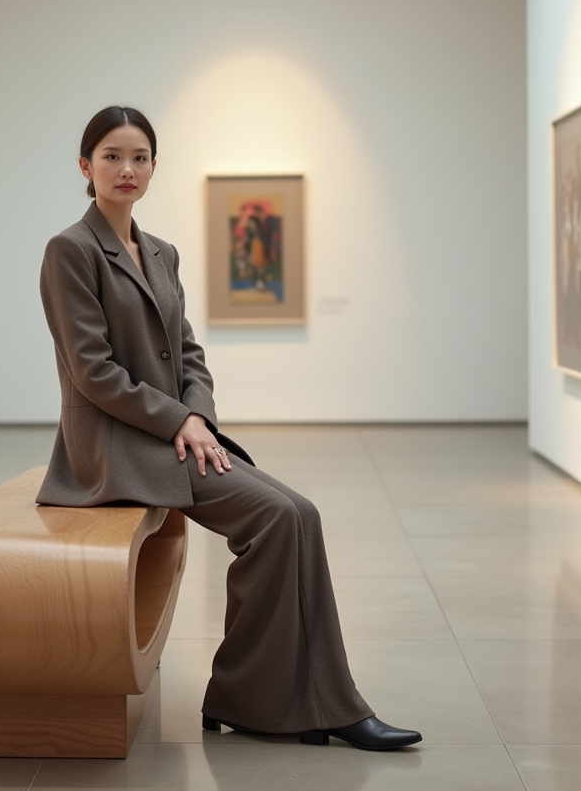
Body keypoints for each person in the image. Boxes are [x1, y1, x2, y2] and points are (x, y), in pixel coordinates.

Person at [36, 105, 421, 752]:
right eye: (112, 157)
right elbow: (91, 372)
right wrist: (179, 420)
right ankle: (274, 701)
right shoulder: (70, 251)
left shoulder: (162, 253)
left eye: (139, 157)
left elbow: (188, 353)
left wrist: (199, 417)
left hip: (171, 436)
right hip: (115, 449)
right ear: (85, 167)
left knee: (300, 514)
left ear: (154, 167)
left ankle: (285, 698)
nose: (127, 169)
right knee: (275, 517)